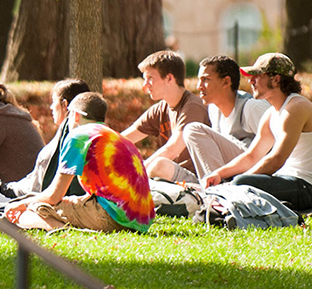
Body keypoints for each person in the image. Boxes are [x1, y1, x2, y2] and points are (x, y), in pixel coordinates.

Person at [4, 93, 155, 233]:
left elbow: (54, 196)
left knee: (28, 212)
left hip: (112, 218)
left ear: (75, 115)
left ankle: (65, 231)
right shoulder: (118, 139)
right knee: (67, 202)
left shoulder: (78, 136)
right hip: (140, 222)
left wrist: (23, 202)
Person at [0, 79, 89, 202]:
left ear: (64, 104)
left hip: (14, 195)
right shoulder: (71, 135)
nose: (51, 107)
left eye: (53, 102)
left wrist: (23, 204)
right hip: (17, 189)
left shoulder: (72, 138)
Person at [204, 53, 312, 211]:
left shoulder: (296, 106)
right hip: (285, 181)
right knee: (235, 185)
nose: (250, 80)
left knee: (240, 184)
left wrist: (238, 181)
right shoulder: (271, 114)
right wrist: (219, 174)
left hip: (305, 187)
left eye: (257, 76)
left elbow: (277, 159)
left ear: (276, 79)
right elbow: (252, 156)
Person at [122, 50, 210, 183]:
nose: (145, 85)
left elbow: (172, 150)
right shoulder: (161, 109)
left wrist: (134, 175)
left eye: (150, 78)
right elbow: (122, 140)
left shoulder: (193, 107)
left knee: (160, 165)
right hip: (170, 179)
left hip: (198, 181)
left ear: (169, 78)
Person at [182, 55, 269, 182]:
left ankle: (217, 192)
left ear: (226, 82)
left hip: (253, 171)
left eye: (205, 79)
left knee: (192, 130)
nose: (199, 86)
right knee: (161, 166)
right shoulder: (213, 109)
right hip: (229, 173)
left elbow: (277, 150)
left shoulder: (251, 107)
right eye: (199, 80)